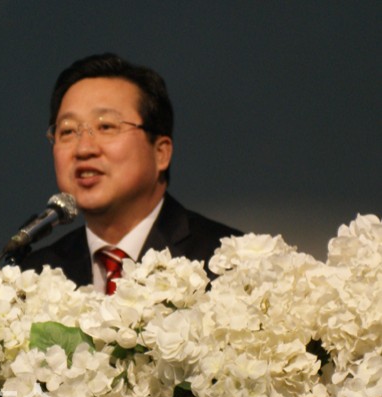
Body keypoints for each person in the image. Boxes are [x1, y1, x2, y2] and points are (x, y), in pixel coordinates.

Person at [16, 53, 242, 293]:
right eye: (68, 131)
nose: (83, 149)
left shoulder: (229, 265)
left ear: (161, 153)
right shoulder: (34, 279)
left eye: (106, 127)